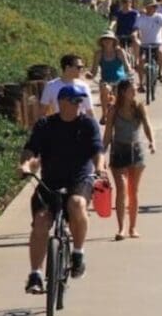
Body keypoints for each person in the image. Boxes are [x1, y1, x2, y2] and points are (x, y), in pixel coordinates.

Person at [20, 83, 106, 292]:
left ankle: (78, 253)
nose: (79, 105)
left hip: (80, 179)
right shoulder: (45, 125)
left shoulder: (88, 124)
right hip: (50, 182)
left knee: (76, 204)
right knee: (40, 222)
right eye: (75, 101)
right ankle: (35, 275)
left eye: (81, 101)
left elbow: (97, 151)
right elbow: (31, 151)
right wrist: (25, 165)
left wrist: (100, 168)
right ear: (62, 103)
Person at [102, 79, 155, 240]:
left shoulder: (139, 107)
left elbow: (147, 125)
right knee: (121, 189)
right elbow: (107, 134)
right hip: (119, 150)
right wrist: (101, 155)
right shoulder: (114, 110)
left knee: (133, 191)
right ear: (124, 92)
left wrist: (152, 141)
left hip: (136, 150)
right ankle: (121, 228)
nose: (135, 92)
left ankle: (133, 227)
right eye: (132, 90)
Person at [86, 31, 132, 125]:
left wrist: (129, 71)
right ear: (102, 42)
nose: (107, 41)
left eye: (109, 39)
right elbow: (94, 71)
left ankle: (120, 115)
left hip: (120, 80)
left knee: (118, 97)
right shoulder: (99, 54)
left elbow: (127, 66)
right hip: (106, 80)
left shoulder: (119, 51)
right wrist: (90, 75)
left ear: (113, 41)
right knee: (104, 90)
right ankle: (104, 114)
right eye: (105, 39)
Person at [136, 0, 162, 90]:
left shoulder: (159, 16)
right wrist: (135, 34)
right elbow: (136, 28)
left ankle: (160, 71)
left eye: (154, 6)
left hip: (157, 43)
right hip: (145, 45)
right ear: (146, 7)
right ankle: (141, 84)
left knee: (161, 52)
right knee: (141, 61)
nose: (153, 8)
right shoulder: (141, 18)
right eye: (150, 6)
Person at [111, 0, 140, 64]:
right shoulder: (118, 13)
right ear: (121, 3)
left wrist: (136, 31)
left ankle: (136, 59)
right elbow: (114, 21)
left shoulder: (135, 13)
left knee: (136, 40)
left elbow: (138, 23)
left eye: (128, 2)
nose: (126, 4)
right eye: (124, 2)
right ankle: (113, 60)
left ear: (131, 3)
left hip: (131, 33)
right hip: (120, 34)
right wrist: (110, 27)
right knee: (112, 42)